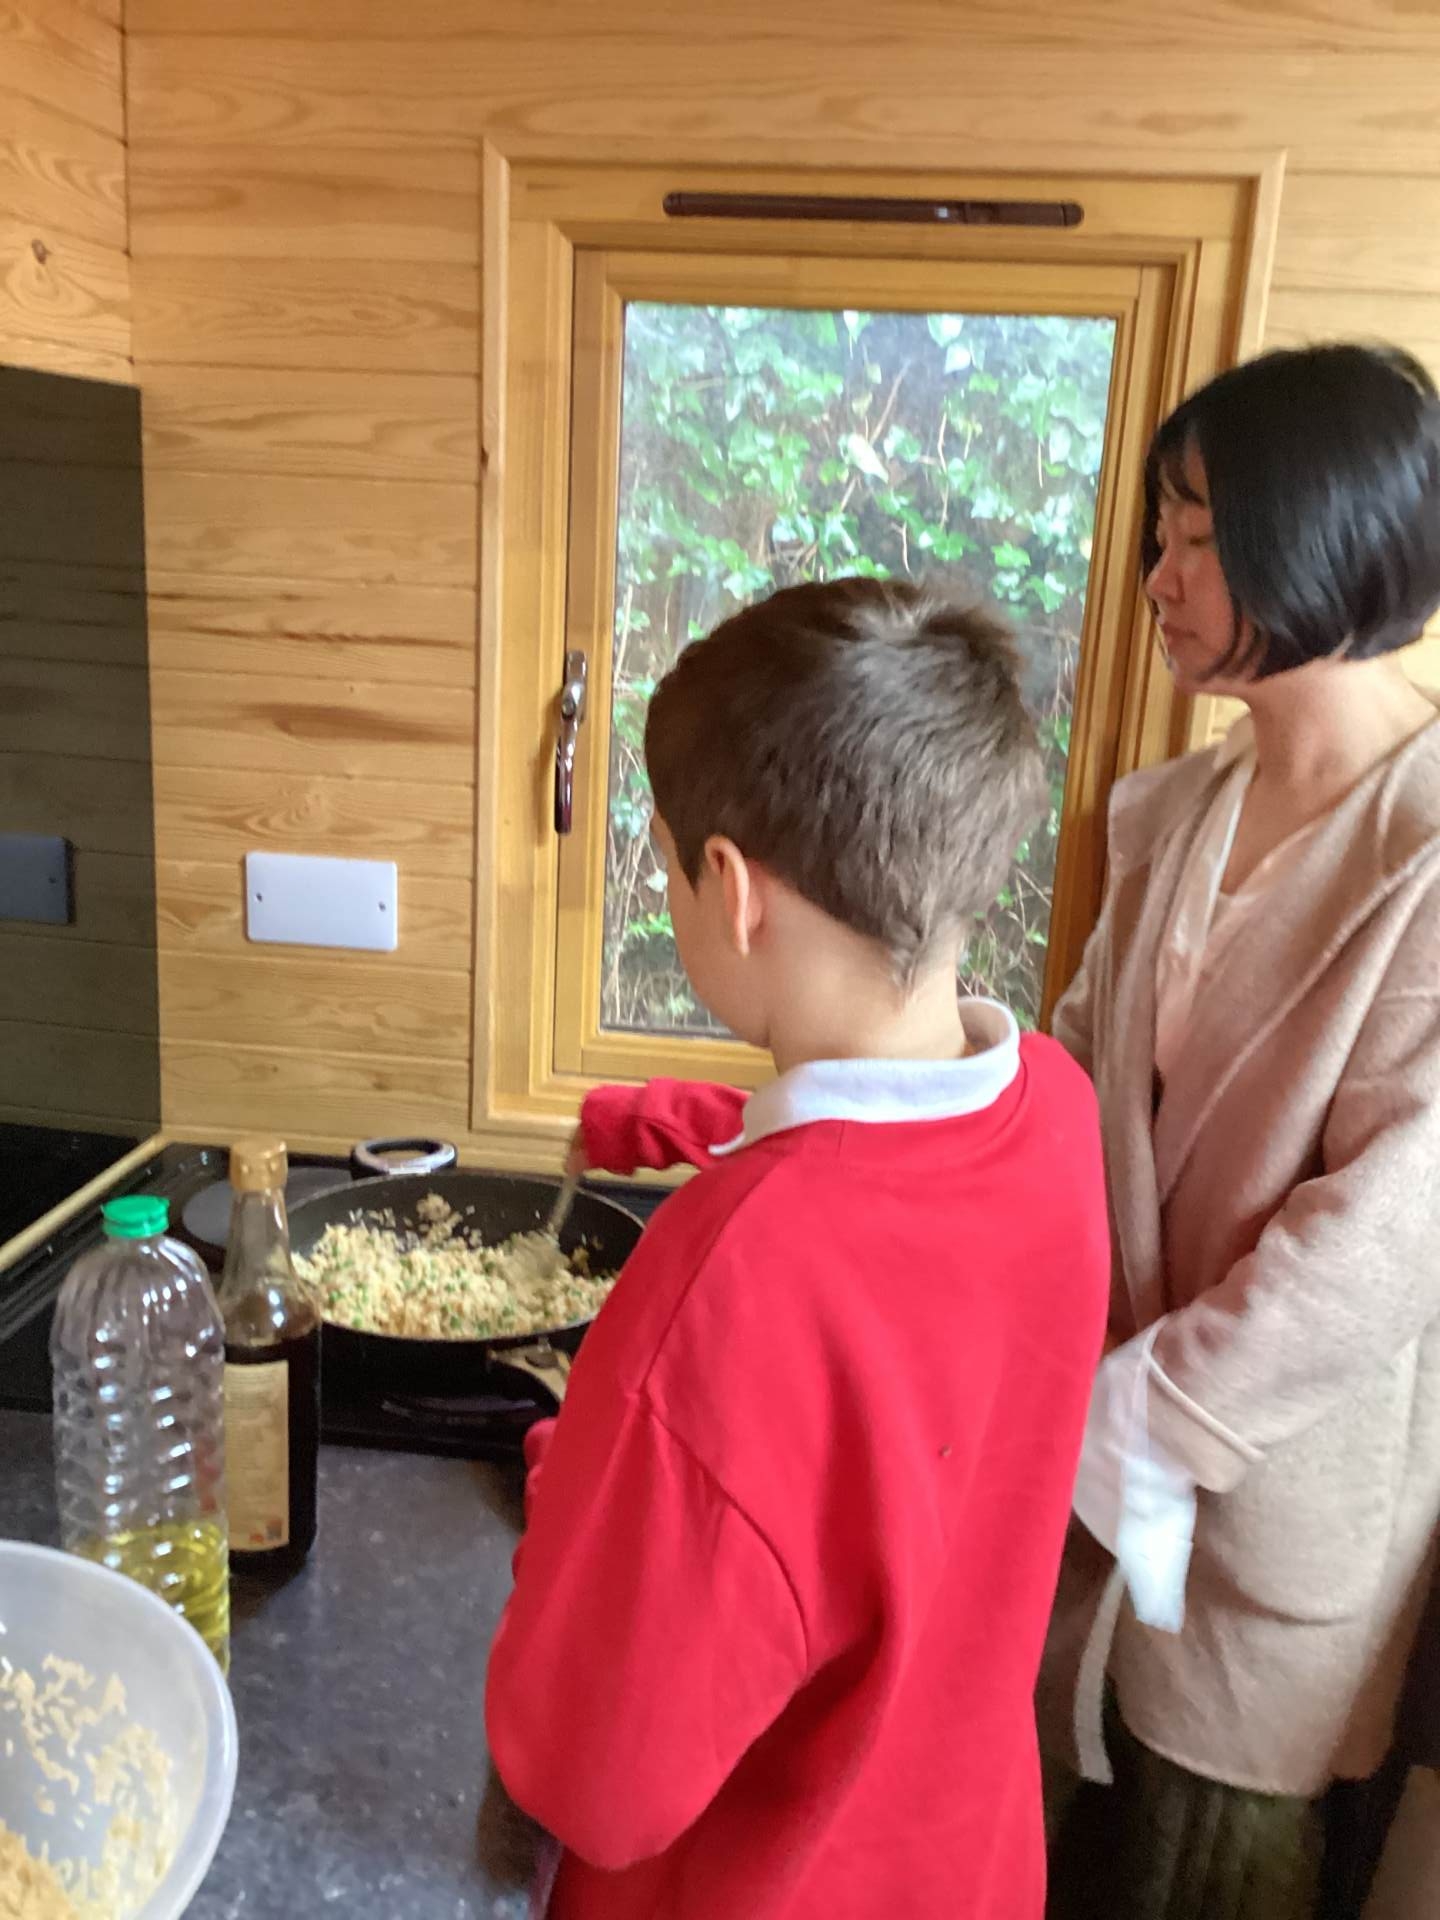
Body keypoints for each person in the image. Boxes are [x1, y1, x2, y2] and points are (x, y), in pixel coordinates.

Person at [485, 578, 1112, 1919]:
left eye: (666, 865)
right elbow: (896, 1203)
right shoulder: (1055, 1110)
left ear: (730, 888)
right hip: (967, 1872)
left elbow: (589, 1780)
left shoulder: (736, 1277)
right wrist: (676, 1121)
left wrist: (574, 1491)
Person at [1042, 343, 1440, 1920]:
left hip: (1261, 1507)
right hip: (1102, 1466)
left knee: (1205, 1871)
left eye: (1198, 537)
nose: (1158, 576)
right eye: (1163, 534)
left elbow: (1383, 1240)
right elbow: (1077, 1070)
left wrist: (1137, 1417)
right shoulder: (1183, 812)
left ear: (1327, 534)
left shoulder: (1424, 851)